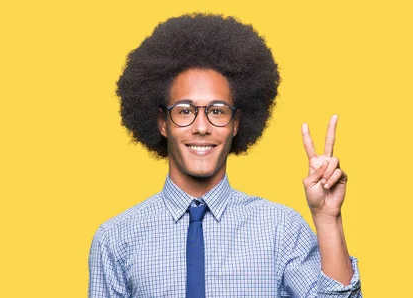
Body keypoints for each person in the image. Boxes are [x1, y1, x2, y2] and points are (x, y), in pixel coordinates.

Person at [88, 13, 362, 297]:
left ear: (236, 123)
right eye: (185, 111)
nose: (202, 127)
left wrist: (328, 219)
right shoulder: (116, 239)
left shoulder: (282, 229)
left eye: (217, 110)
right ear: (162, 122)